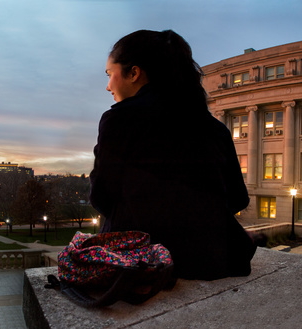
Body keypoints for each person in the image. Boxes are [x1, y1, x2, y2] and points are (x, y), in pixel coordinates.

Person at [90, 29, 257, 281]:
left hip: (143, 261)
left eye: (109, 74)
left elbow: (101, 196)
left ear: (134, 73)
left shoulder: (118, 120)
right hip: (212, 261)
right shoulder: (215, 128)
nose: (108, 86)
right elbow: (238, 199)